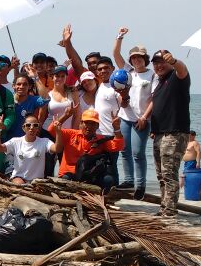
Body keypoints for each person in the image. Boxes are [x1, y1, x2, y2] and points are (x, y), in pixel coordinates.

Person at [146, 49, 192, 215]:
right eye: (156, 62)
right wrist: (154, 130)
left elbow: (182, 69)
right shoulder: (159, 82)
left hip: (175, 133)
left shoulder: (177, 77)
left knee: (169, 174)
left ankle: (170, 210)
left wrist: (173, 61)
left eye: (162, 61)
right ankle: (164, 207)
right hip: (159, 134)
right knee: (161, 175)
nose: (159, 65)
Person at [113, 28, 154, 194]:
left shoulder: (152, 75)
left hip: (142, 119)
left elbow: (154, 99)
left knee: (138, 153)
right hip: (125, 117)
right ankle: (128, 181)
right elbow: (116, 54)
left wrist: (145, 117)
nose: (137, 60)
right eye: (134, 57)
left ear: (145, 59)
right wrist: (119, 37)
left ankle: (141, 185)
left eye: (140, 57)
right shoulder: (128, 72)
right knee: (125, 151)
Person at [49, 109, 124, 191]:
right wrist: (65, 116)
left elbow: (118, 146)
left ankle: (103, 200)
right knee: (66, 178)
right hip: (70, 174)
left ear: (97, 126)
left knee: (108, 180)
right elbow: (51, 130)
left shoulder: (101, 140)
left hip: (90, 175)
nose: (89, 126)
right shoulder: (70, 134)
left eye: (93, 123)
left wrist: (117, 129)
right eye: (86, 122)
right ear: (81, 124)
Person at [0, 115, 56, 183]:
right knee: (19, 183)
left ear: (38, 128)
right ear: (23, 128)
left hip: (37, 182)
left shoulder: (44, 141)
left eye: (35, 125)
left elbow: (57, 149)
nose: (31, 128)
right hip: (19, 179)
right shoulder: (15, 141)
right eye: (28, 125)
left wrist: (58, 132)